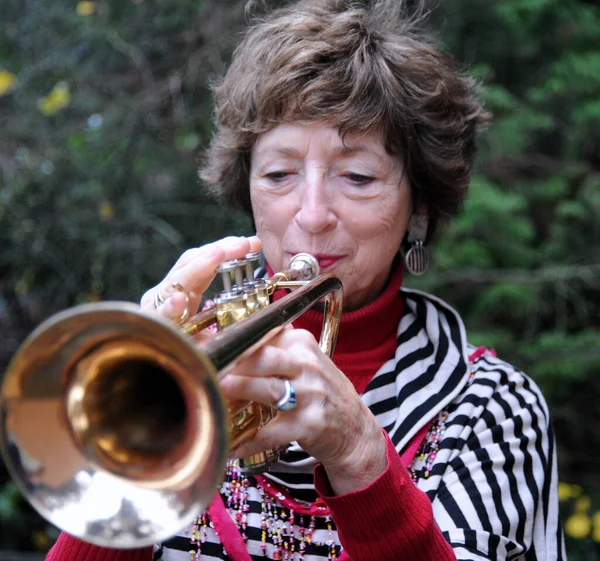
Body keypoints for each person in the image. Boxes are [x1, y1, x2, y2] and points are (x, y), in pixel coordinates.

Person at [46, 0, 566, 559]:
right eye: (278, 173)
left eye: (358, 176)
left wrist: (360, 454)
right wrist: (135, 434)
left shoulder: (493, 406)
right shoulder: (185, 363)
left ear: (418, 208)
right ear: (247, 188)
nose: (312, 213)